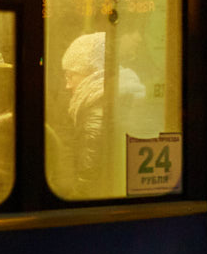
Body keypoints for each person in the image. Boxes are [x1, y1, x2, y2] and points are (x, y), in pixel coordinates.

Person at [57, 31, 146, 198]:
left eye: (71, 76)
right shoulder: (113, 98)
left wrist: (72, 199)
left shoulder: (97, 111)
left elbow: (88, 173)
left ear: (93, 72)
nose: (67, 85)